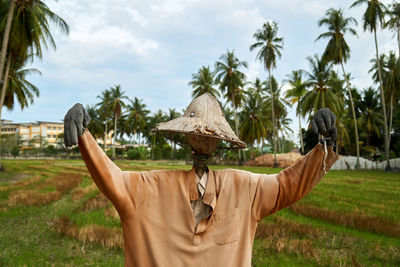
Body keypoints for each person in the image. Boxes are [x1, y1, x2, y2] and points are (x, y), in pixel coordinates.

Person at [64, 93, 338, 267]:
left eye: (208, 136)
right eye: (197, 134)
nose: (202, 139)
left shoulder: (245, 188)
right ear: (185, 136)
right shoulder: (147, 189)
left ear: (219, 141)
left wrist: (325, 145)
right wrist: (84, 136)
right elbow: (110, 176)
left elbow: (286, 185)